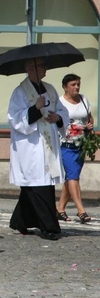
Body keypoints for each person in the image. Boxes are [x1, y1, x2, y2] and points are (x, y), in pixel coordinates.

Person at [7, 58, 69, 240]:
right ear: (30, 69)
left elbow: (63, 111)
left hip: (47, 144)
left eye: (44, 66)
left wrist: (58, 117)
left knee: (37, 186)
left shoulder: (50, 89)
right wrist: (35, 109)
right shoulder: (20, 92)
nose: (44, 69)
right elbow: (14, 118)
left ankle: (20, 220)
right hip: (31, 146)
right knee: (37, 186)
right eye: (41, 66)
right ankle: (49, 227)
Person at [56, 73, 93, 224]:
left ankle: (60, 209)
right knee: (73, 176)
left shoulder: (83, 99)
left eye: (78, 84)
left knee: (72, 176)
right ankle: (81, 210)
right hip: (66, 144)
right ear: (65, 87)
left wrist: (90, 126)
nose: (76, 87)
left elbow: (89, 117)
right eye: (73, 85)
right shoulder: (59, 103)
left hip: (82, 144)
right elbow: (56, 121)